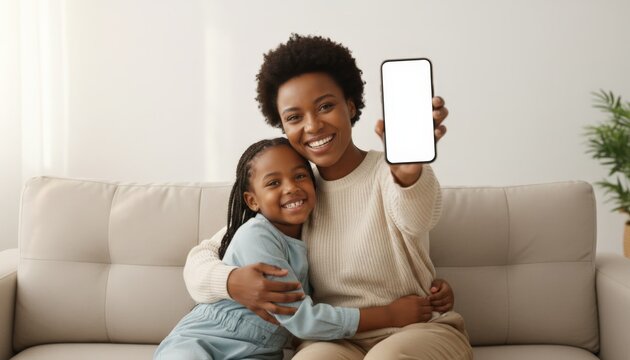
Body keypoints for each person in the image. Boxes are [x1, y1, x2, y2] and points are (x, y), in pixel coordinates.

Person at [184, 34, 473, 359]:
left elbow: (417, 216)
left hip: (416, 328)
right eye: (294, 117)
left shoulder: (389, 173)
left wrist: (407, 172)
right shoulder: (295, 196)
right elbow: (204, 256)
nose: (313, 125)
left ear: (350, 106)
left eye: (325, 106)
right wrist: (232, 281)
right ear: (282, 126)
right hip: (335, 338)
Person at [154, 138, 438, 360]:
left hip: (259, 352)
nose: (291, 188)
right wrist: (389, 315)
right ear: (252, 201)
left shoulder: (312, 230)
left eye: (300, 176)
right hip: (205, 338)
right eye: (274, 183)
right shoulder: (256, 234)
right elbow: (303, 320)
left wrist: (428, 285)